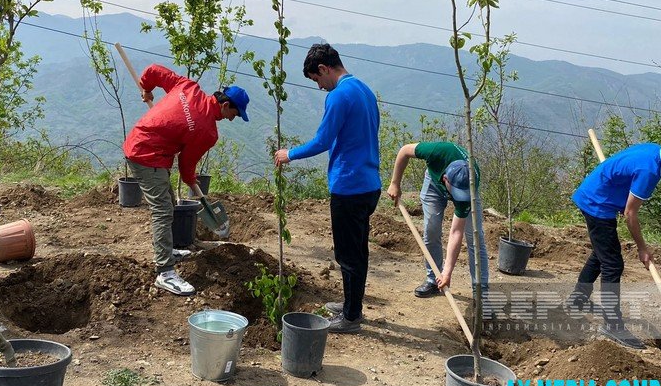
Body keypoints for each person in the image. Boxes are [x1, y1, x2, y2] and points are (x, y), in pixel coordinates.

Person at [274, 44, 381, 334]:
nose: (319, 87)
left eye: (316, 80)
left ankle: (351, 318)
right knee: (357, 251)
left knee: (347, 255)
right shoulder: (364, 90)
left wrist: (289, 154)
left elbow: (322, 141)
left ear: (324, 69)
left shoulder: (338, 96)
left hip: (349, 186)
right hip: (369, 184)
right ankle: (351, 305)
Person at [570, 133, 661, 349]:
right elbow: (630, 214)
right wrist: (642, 249)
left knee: (602, 254)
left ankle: (577, 299)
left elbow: (623, 174)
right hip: (597, 203)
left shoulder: (654, 151)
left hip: (596, 194)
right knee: (612, 264)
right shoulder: (650, 170)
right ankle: (612, 325)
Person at [124, 64, 250, 296]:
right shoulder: (207, 132)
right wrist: (192, 181)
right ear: (224, 105)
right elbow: (186, 165)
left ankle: (168, 250)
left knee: (169, 204)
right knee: (162, 211)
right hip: (146, 155)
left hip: (142, 143)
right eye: (235, 113)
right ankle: (165, 272)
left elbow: (153, 70)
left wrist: (147, 88)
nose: (233, 119)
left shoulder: (188, 87)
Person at [386, 142, 489, 298]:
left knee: (475, 238)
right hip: (434, 183)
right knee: (431, 229)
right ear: (446, 179)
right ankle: (433, 280)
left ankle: (481, 294)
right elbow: (404, 151)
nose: (457, 197)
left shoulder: (468, 189)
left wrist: (447, 272)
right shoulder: (436, 152)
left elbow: (456, 232)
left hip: (462, 186)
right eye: (455, 192)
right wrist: (395, 183)